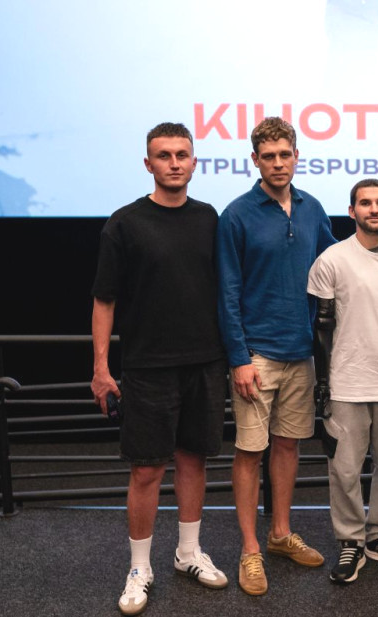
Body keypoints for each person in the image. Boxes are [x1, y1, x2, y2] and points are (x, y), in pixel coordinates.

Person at [91, 122, 228, 616]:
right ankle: (139, 568)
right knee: (147, 468)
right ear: (148, 164)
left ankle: (188, 553)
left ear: (194, 162)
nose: (174, 162)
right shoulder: (124, 223)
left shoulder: (209, 218)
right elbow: (104, 299)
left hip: (205, 362)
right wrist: (101, 367)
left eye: (181, 154)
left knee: (194, 461)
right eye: (164, 155)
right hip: (148, 366)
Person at [216, 117, 335, 596]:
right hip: (257, 356)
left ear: (297, 156)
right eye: (269, 156)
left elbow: (337, 264)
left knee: (288, 446)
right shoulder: (236, 215)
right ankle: (250, 549)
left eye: (286, 155)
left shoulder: (312, 209)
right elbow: (227, 292)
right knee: (250, 450)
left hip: (301, 352)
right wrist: (239, 357)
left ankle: (280, 535)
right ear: (255, 160)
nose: (279, 163)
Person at [307, 179, 378, 584]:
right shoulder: (332, 259)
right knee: (345, 470)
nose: (374, 209)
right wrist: (322, 383)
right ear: (352, 211)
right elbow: (321, 327)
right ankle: (350, 540)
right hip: (347, 382)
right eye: (365, 203)